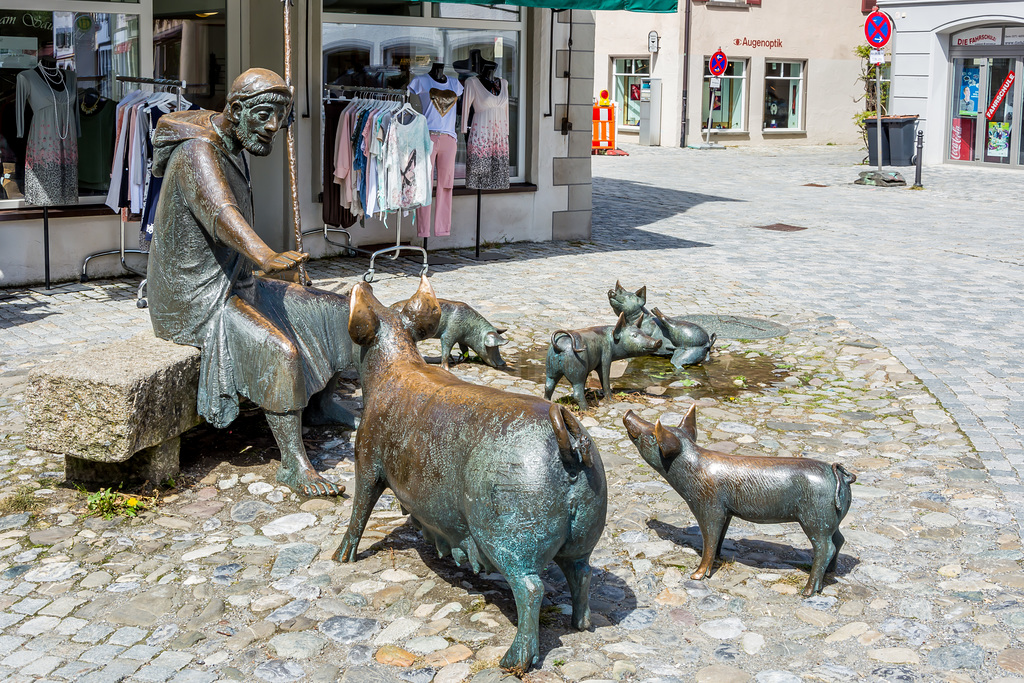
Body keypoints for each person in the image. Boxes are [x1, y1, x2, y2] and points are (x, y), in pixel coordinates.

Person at [147, 68, 354, 497]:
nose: (273, 128)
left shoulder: (232, 139)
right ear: (237, 109)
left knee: (335, 310)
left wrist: (260, 266)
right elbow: (222, 212)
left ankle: (322, 404)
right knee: (281, 350)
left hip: (236, 280)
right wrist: (266, 257)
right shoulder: (197, 152)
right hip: (197, 297)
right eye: (264, 116)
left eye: (280, 118)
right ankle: (294, 462)